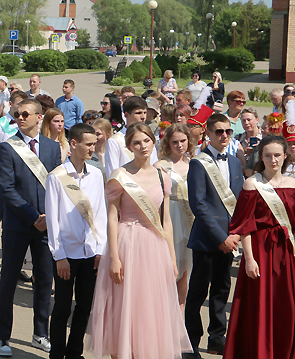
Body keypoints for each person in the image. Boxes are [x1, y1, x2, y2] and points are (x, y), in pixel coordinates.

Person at [85, 123, 192, 359]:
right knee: (124, 308)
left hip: (154, 247)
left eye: (146, 140)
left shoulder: (162, 175)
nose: (143, 146)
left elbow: (166, 221)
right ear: (129, 146)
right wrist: (114, 258)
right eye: (136, 142)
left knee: (149, 309)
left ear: (154, 141)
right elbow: (112, 218)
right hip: (127, 244)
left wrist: (172, 259)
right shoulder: (120, 175)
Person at [0, 99, 62, 356]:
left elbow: (56, 186)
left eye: (25, 114)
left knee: (44, 280)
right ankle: (2, 338)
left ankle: (40, 334)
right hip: (18, 224)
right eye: (17, 115)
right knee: (9, 281)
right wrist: (34, 216)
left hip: (47, 226)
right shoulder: (7, 147)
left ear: (39, 116)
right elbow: (7, 190)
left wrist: (49, 217)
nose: (20, 118)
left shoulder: (52, 147)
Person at [223, 135, 295, 359]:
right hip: (260, 251)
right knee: (260, 305)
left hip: (288, 251)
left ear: (285, 156)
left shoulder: (293, 184)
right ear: (261, 157)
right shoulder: (252, 184)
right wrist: (250, 259)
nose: (273, 160)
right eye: (268, 155)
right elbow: (244, 225)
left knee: (287, 306)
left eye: (277, 155)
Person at [184, 111, 245, 358]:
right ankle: (189, 342)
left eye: (228, 131)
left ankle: (217, 338)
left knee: (221, 290)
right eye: (218, 131)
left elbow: (240, 202)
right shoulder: (199, 162)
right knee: (198, 293)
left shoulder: (234, 162)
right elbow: (198, 205)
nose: (224, 135)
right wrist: (221, 238)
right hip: (207, 240)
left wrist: (236, 235)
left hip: (230, 239)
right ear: (207, 133)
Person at [46, 123, 107, 359]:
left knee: (84, 306)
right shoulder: (57, 177)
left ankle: (74, 352)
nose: (93, 148)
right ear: (74, 144)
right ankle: (57, 354)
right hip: (66, 254)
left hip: (90, 251)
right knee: (62, 308)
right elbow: (53, 219)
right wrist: (59, 255)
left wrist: (101, 249)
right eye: (88, 144)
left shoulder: (96, 175)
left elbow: (100, 214)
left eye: (94, 143)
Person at [156, 124, 195, 308]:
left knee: (185, 271)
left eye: (183, 141)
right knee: (169, 270)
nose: (179, 145)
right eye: (175, 142)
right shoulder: (160, 166)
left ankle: (180, 317)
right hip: (170, 216)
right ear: (167, 143)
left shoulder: (193, 163)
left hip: (190, 219)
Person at [0, 91, 29, 248]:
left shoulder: (26, 124)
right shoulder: (0, 124)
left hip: (21, 180)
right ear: (10, 104)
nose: (21, 109)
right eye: (19, 105)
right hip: (2, 180)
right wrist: (5, 178)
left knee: (13, 220)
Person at [104, 96, 157, 176]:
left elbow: (154, 165)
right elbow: (112, 173)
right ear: (126, 115)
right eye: (138, 113)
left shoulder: (148, 137)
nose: (143, 117)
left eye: (145, 112)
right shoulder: (115, 141)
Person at [237, 108, 263, 175]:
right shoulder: (238, 139)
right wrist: (243, 152)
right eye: (243, 120)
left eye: (249, 120)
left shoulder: (264, 137)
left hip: (260, 174)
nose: (246, 123)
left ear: (257, 120)